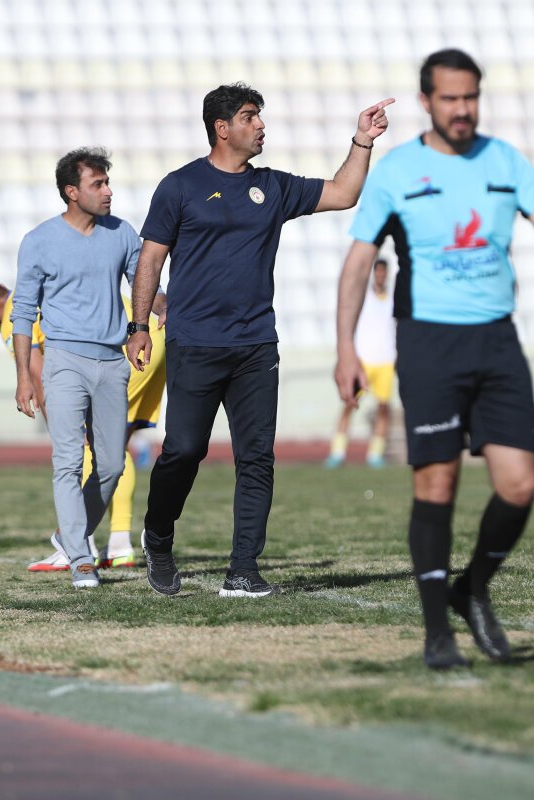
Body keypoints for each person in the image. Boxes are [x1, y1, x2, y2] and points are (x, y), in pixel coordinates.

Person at [334, 49, 534, 670]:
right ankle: (437, 635)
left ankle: (472, 587)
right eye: (449, 98)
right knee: (437, 483)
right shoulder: (398, 170)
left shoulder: (504, 160)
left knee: (520, 484)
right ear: (427, 102)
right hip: (428, 343)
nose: (462, 109)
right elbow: (360, 260)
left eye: (470, 97)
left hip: (497, 342)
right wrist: (346, 347)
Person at [128, 83, 394, 599]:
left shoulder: (272, 186)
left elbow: (343, 193)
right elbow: (150, 259)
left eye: (260, 116)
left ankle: (243, 570)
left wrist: (362, 140)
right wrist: (139, 327)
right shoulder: (179, 186)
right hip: (195, 343)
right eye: (250, 117)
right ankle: (158, 537)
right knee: (183, 451)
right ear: (222, 128)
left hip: (255, 346)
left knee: (256, 458)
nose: (261, 125)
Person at [0, 271, 167, 571]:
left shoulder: (15, 318)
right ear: (1, 286)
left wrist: (61, 427)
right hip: (151, 334)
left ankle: (80, 544)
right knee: (114, 446)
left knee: (93, 447)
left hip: (119, 351)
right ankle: (118, 545)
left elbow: (40, 375)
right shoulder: (38, 289)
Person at [10, 147, 143, 589]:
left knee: (112, 466)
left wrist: (152, 314)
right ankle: (81, 559)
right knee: (67, 462)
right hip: (64, 361)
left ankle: (68, 535)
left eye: (107, 182)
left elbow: (143, 284)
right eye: (97, 184)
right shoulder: (39, 240)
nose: (108, 191)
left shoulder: (122, 232)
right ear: (72, 192)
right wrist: (24, 377)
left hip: (112, 362)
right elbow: (23, 312)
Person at [325, 257, 395, 469]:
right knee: (350, 403)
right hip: (364, 361)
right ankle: (337, 451)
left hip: (386, 361)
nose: (380, 275)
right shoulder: (364, 296)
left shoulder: (392, 298)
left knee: (383, 407)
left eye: (383, 272)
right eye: (378, 271)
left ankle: (375, 454)